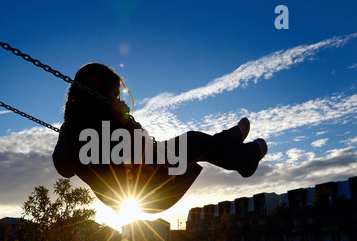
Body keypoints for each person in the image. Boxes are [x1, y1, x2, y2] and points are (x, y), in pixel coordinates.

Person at [52, 63, 267, 213]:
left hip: (148, 177)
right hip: (148, 190)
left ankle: (229, 141)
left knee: (194, 143)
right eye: (113, 94)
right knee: (194, 143)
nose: (116, 99)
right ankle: (244, 158)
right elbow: (65, 167)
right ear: (97, 90)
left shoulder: (87, 122)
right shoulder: (76, 128)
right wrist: (124, 122)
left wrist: (124, 121)